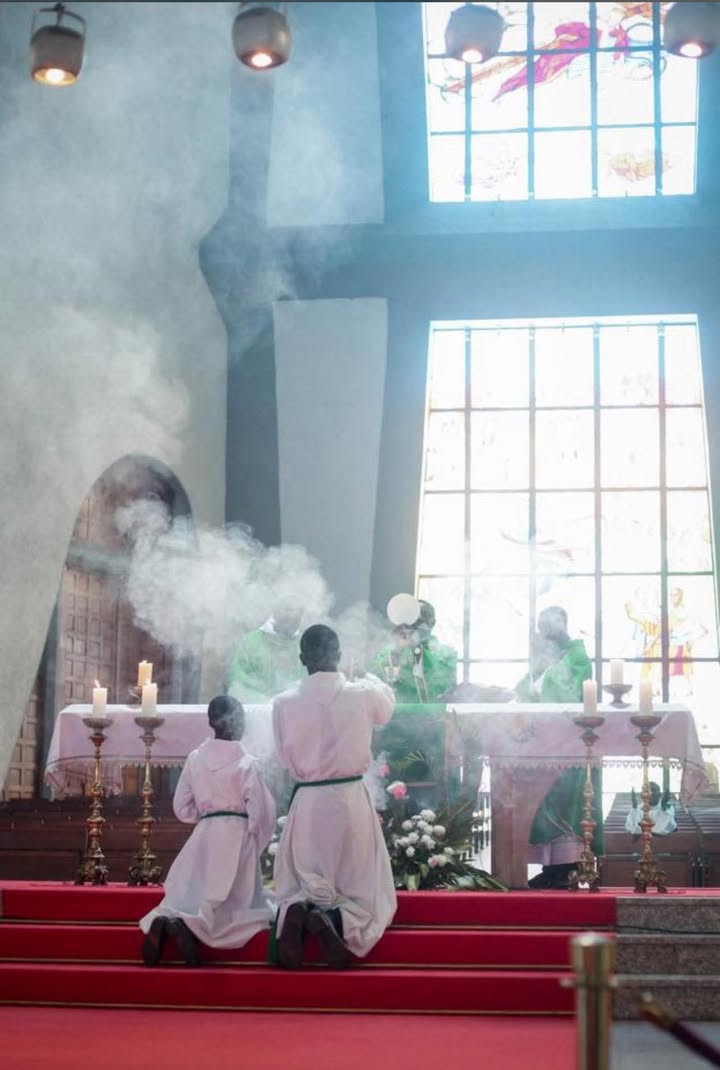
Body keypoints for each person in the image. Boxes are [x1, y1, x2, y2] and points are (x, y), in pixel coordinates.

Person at [272, 624, 397, 969]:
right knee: (365, 892)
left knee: (306, 876)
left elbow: (282, 758)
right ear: (339, 655)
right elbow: (387, 709)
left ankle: (300, 907)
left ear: (302, 658)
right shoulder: (363, 694)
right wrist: (365, 675)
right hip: (349, 800)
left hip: (309, 803)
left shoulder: (283, 703)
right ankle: (337, 920)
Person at [139, 695, 276, 966]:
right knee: (237, 908)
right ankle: (193, 925)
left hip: (204, 837)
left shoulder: (195, 759)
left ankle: (172, 921)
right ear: (238, 723)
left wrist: (206, 819)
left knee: (192, 895)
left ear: (211, 722)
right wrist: (253, 839)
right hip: (237, 837)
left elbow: (181, 807)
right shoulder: (248, 763)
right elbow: (261, 814)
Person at [515, 606, 599, 889]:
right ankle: (550, 868)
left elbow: (568, 692)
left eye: (549, 625)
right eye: (541, 626)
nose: (544, 632)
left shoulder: (578, 656)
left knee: (567, 803)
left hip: (570, 743)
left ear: (563, 625)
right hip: (542, 745)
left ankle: (568, 867)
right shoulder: (546, 658)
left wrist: (546, 669)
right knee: (544, 804)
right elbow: (525, 690)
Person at [372, 600, 457, 704]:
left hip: (433, 712)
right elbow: (377, 680)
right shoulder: (389, 651)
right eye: (413, 620)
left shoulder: (447, 653)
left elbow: (441, 683)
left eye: (420, 620)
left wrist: (416, 648)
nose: (415, 626)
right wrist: (397, 651)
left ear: (433, 622)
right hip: (398, 711)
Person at [228, 606, 303, 702]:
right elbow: (236, 682)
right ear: (275, 613)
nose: (291, 616)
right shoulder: (252, 642)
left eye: (296, 612)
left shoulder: (304, 643)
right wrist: (266, 700)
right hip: (259, 707)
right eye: (287, 610)